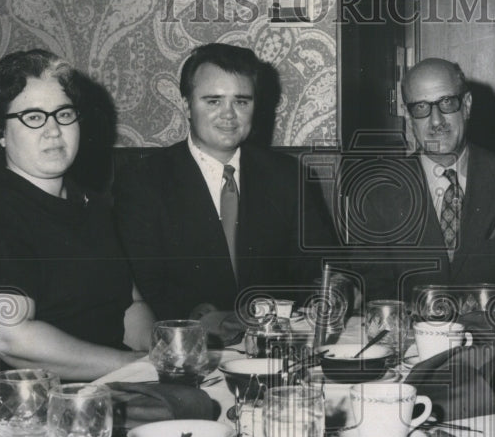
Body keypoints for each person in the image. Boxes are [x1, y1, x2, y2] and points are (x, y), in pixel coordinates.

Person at [0, 50, 153, 437]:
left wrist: (160, 357)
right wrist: (131, 366)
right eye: (33, 117)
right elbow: (10, 337)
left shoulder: (91, 203)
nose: (53, 131)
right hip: (1, 427)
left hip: (90, 403)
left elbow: (129, 303)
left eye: (64, 114)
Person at [113, 43, 335, 335]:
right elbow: (143, 288)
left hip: (276, 343)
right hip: (188, 346)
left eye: (241, 102)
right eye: (213, 101)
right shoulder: (143, 181)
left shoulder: (287, 175)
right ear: (186, 105)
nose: (228, 115)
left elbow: (319, 269)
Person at [348, 58, 495, 304]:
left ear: (466, 105)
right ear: (407, 114)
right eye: (422, 107)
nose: (436, 121)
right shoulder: (378, 193)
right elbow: (376, 294)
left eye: (446, 103)